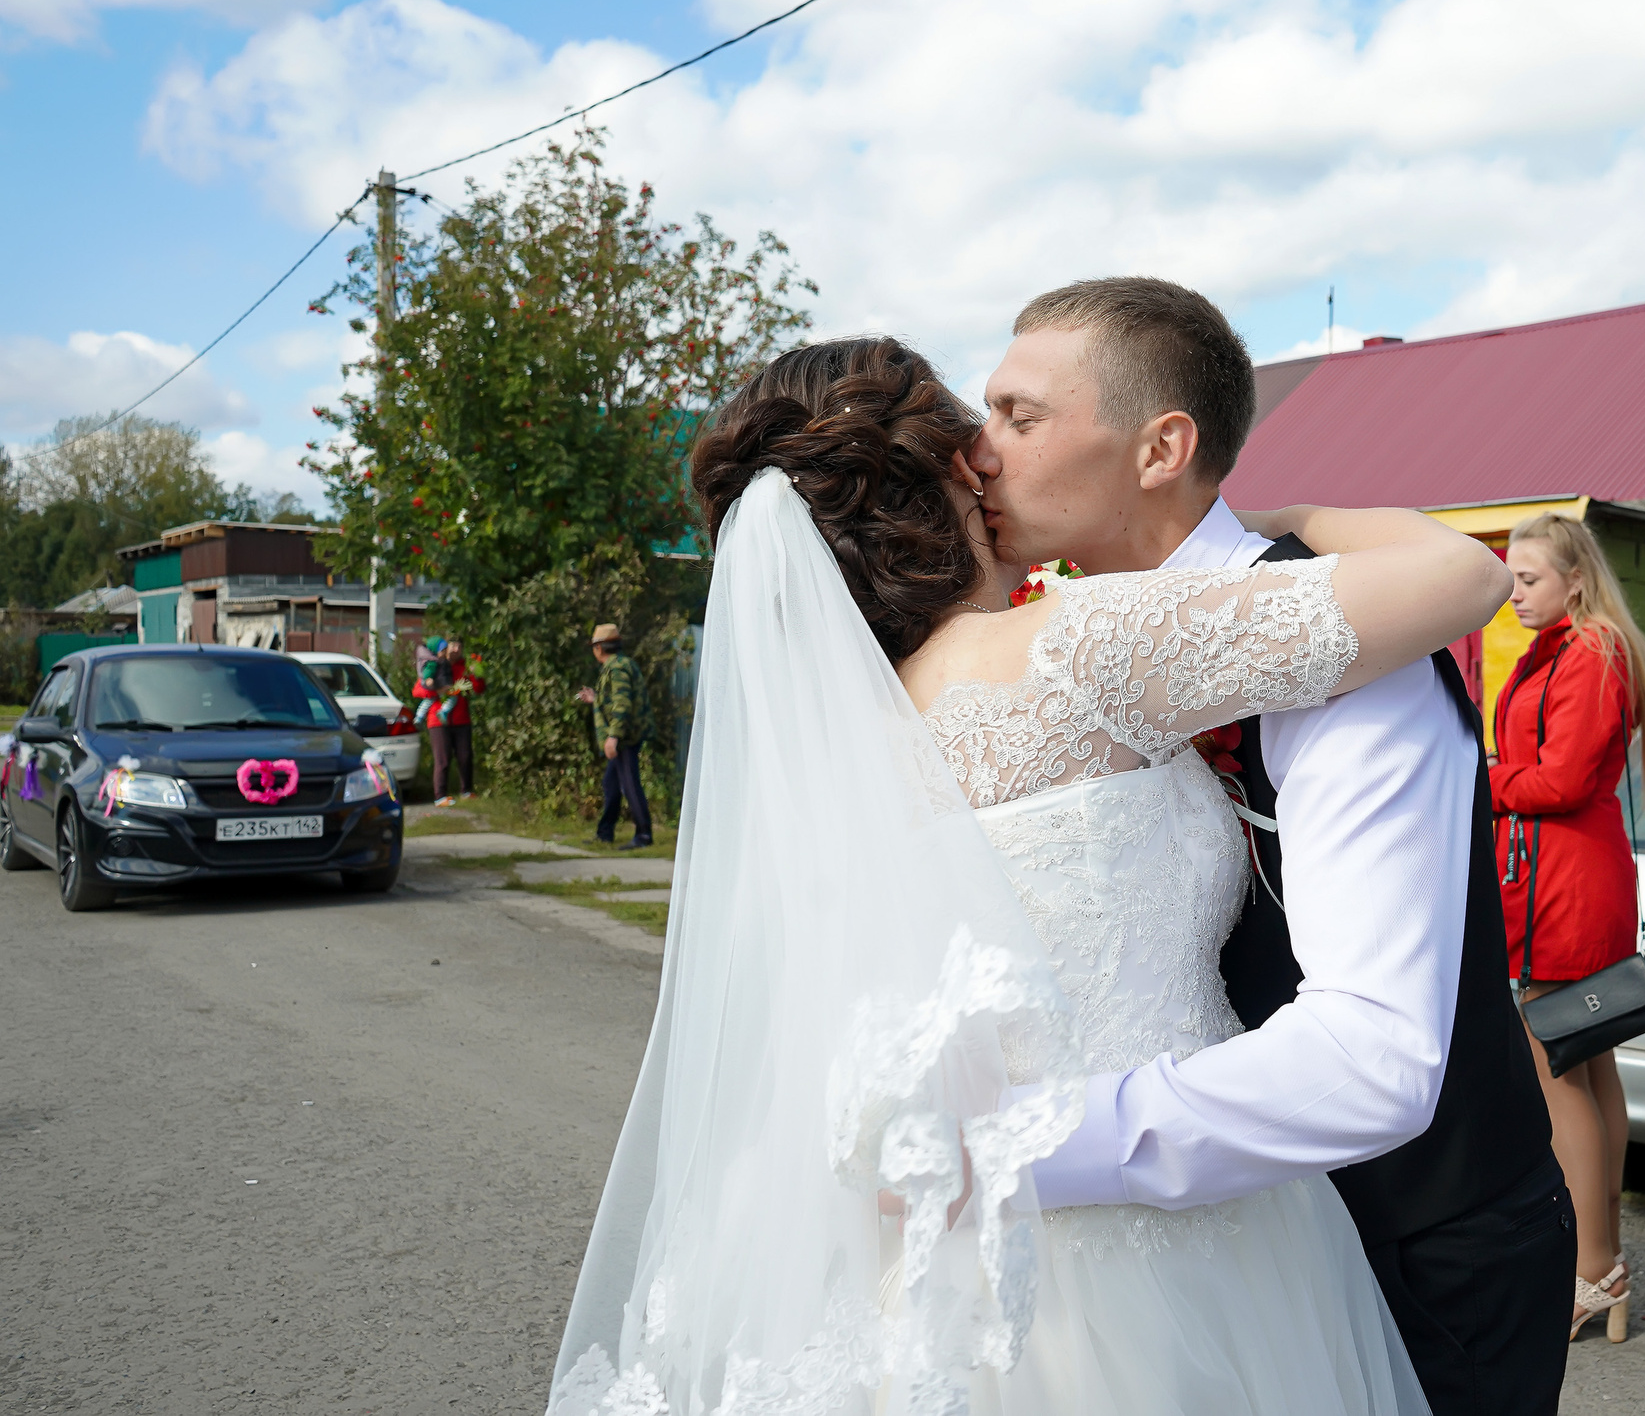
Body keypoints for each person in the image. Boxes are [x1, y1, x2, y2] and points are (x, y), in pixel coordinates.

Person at [549, 330, 1520, 1416]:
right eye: (982, 428)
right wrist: (1285, 527)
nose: (995, 452)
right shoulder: (1075, 648)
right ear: (950, 477)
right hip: (1173, 1242)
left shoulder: (836, 754)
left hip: (931, 1258)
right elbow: (1462, 573)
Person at [972, 279, 1572, 1414]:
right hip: (1192, 1253)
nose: (979, 452)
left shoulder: (1345, 644)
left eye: (1019, 415)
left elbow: (1372, 1060)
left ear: (1161, 448)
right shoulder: (1050, 653)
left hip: (1416, 1245)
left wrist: (1012, 1150)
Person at [1488, 510, 1645, 1342]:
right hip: (1563, 874)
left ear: (1575, 580)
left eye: (1527, 580)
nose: (1511, 593)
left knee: (1561, 1071)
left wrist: (1483, 777)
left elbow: (1556, 781)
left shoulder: (1590, 653)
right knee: (1587, 1069)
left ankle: (1593, 1270)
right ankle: (1605, 1261)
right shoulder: (1570, 648)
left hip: (1568, 882)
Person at [577, 623, 651, 850]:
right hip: (624, 734)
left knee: (629, 783)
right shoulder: (617, 665)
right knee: (611, 783)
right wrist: (596, 699)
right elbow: (615, 699)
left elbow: (622, 703)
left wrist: (614, 737)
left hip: (625, 737)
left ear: (599, 647)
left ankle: (644, 835)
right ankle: (605, 833)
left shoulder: (617, 668)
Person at [413, 636, 482, 806]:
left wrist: (476, 674)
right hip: (437, 720)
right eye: (452, 646)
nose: (456, 649)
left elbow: (478, 689)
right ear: (445, 648)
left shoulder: (465, 667)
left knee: (465, 756)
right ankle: (440, 796)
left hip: (461, 719)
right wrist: (438, 689)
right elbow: (418, 690)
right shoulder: (433, 663)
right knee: (442, 759)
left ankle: (466, 791)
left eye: (459, 646)